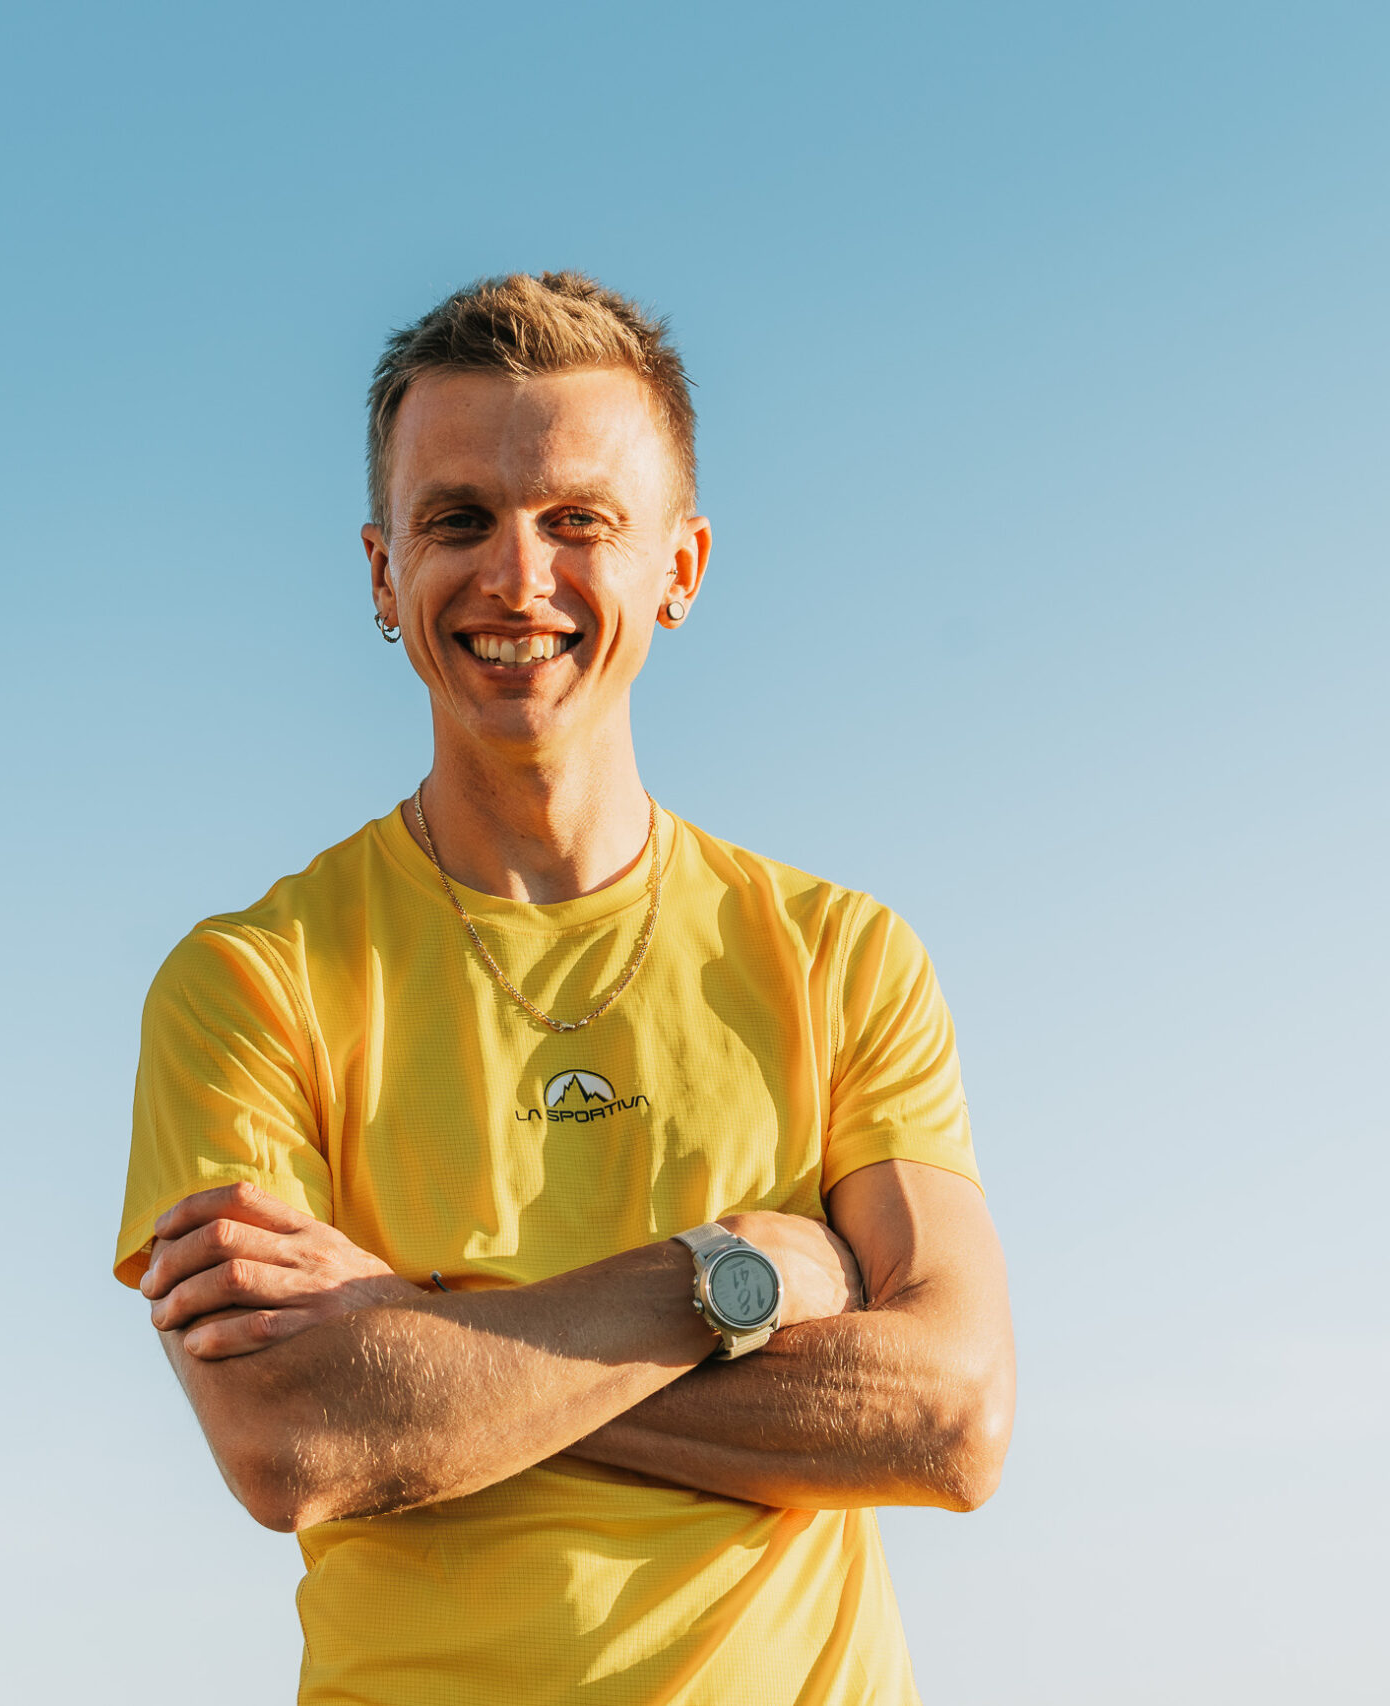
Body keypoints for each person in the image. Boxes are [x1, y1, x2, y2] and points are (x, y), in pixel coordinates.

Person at [114, 271, 1014, 1705]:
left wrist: (415, 1325)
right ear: (381, 572)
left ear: (680, 567)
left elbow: (950, 1419)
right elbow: (293, 1440)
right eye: (458, 519)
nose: (516, 577)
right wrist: (728, 1278)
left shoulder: (840, 955)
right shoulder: (250, 982)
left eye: (579, 520)